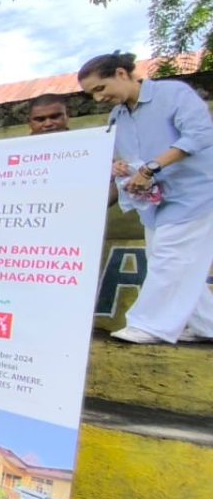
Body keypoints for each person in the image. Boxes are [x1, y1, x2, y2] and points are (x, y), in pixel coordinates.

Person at [78, 53, 213, 344]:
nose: (98, 98)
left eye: (100, 88)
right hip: (155, 202)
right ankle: (206, 325)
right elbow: (125, 154)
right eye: (92, 95)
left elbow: (200, 135)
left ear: (122, 74)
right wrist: (120, 166)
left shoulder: (173, 94)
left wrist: (152, 167)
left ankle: (150, 325)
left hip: (196, 192)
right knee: (168, 260)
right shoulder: (118, 115)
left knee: (170, 257)